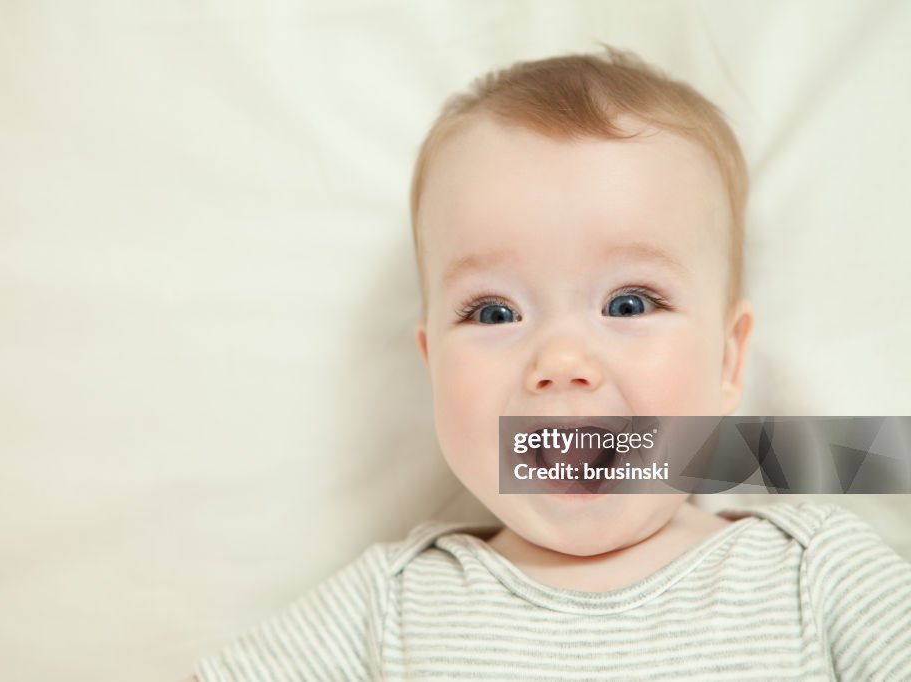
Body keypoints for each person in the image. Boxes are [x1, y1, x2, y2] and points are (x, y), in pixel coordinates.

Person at [186, 46, 911, 680]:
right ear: (433, 366)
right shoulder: (387, 603)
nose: (561, 360)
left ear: (728, 360)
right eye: (494, 313)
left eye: (629, 304)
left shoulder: (817, 573)